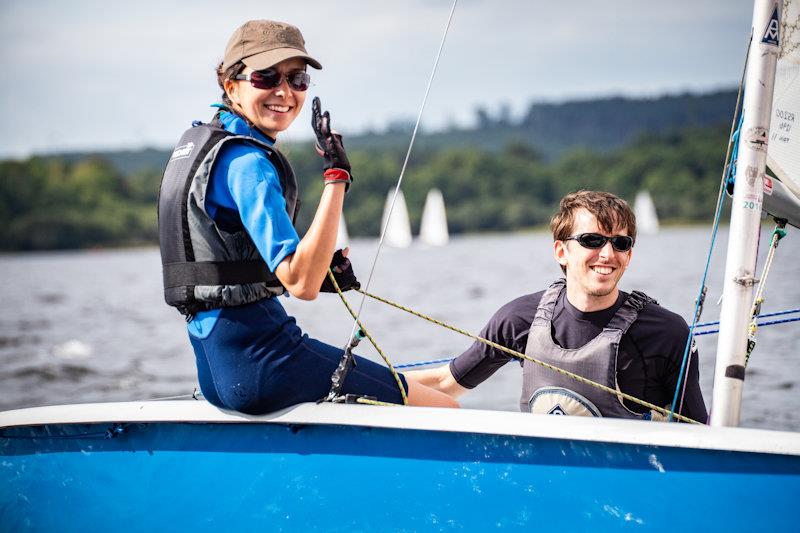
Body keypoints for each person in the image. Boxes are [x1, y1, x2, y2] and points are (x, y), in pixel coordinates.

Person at [158, 19, 458, 414]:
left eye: (297, 79)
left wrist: (323, 269)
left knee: (418, 384)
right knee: (442, 409)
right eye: (266, 77)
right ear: (231, 85)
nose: (284, 92)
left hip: (218, 371)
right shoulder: (248, 162)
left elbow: (237, 264)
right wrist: (337, 177)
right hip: (266, 360)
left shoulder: (203, 148)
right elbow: (300, 283)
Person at [405, 190, 707, 422]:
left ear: (629, 255)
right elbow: (446, 384)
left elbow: (696, 433)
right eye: (592, 240)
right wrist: (365, 377)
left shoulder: (666, 333)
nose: (607, 254)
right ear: (561, 251)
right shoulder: (519, 319)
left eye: (620, 243)